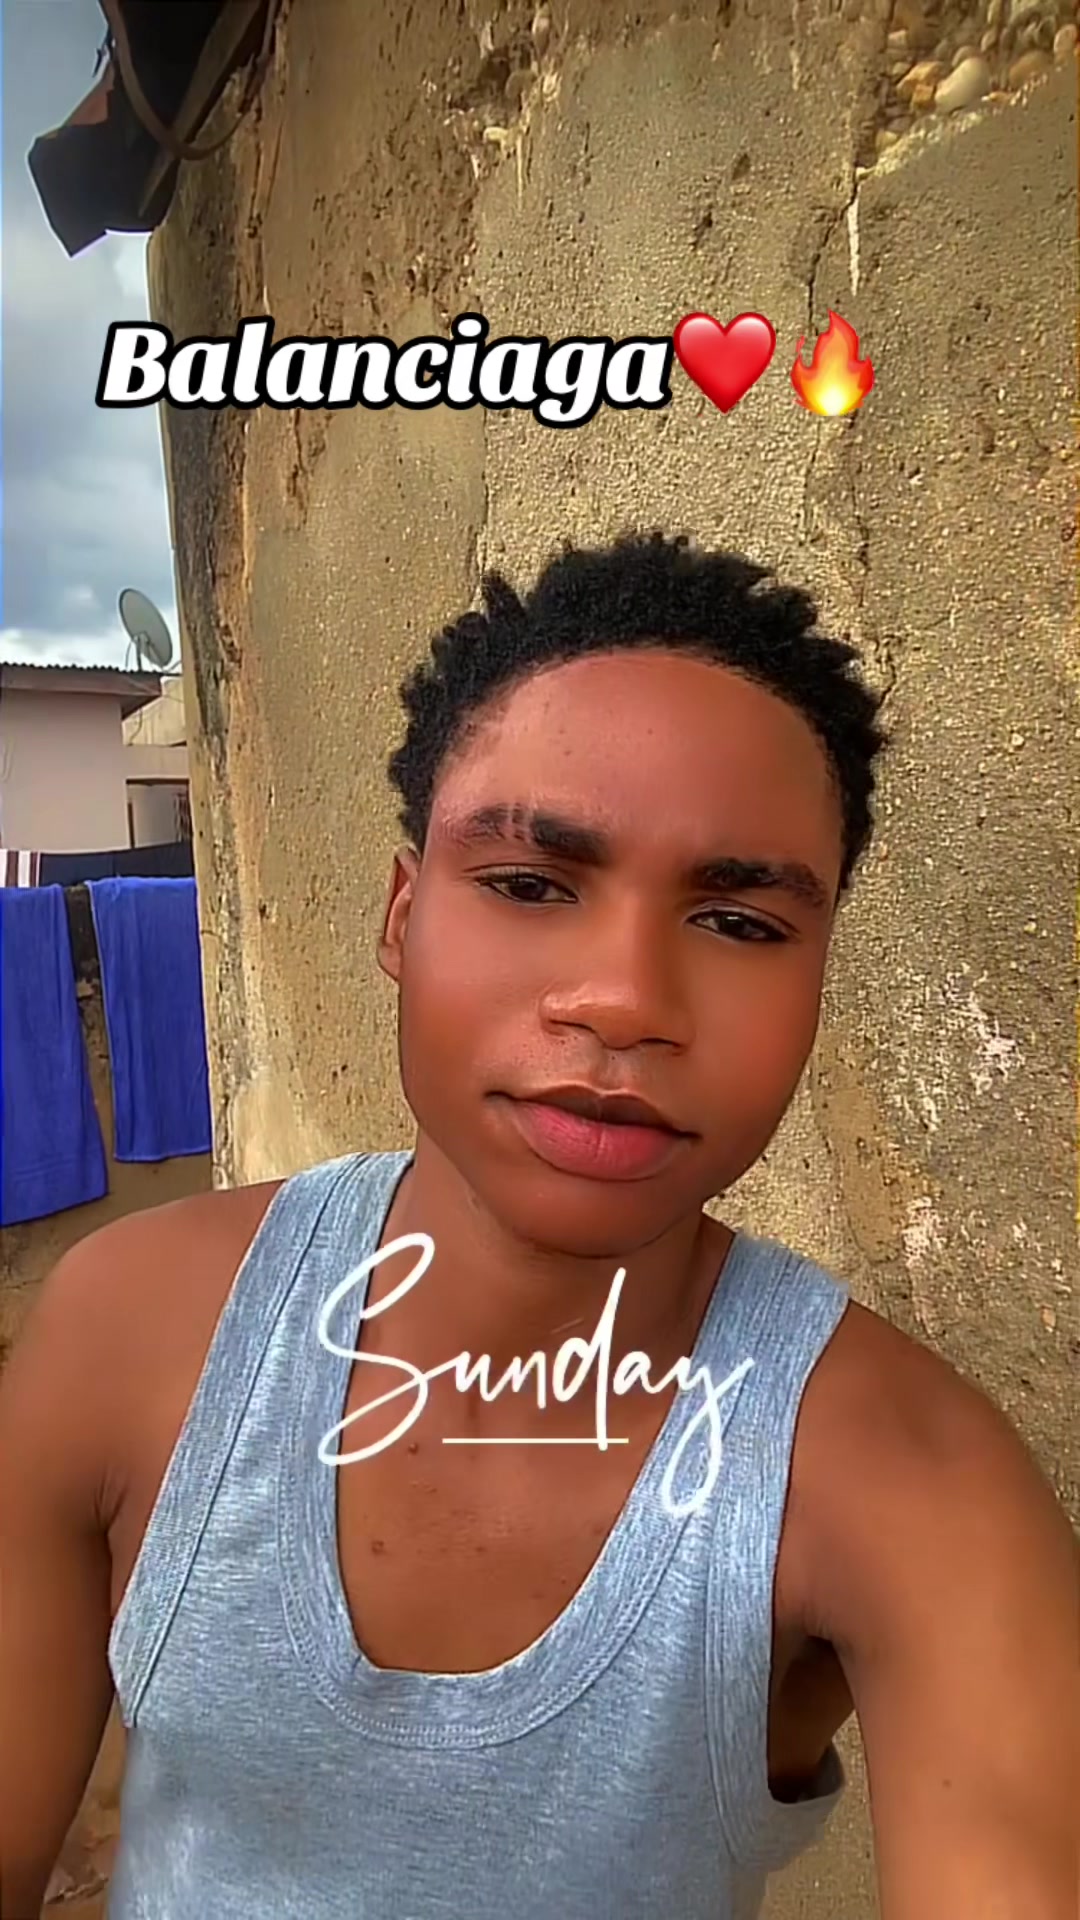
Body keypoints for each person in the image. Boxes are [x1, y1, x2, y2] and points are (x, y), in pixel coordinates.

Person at [1, 534, 1076, 1920]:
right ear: (402, 917)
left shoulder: (917, 1489)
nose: (624, 999)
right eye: (527, 884)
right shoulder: (130, 1332)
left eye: (741, 922)